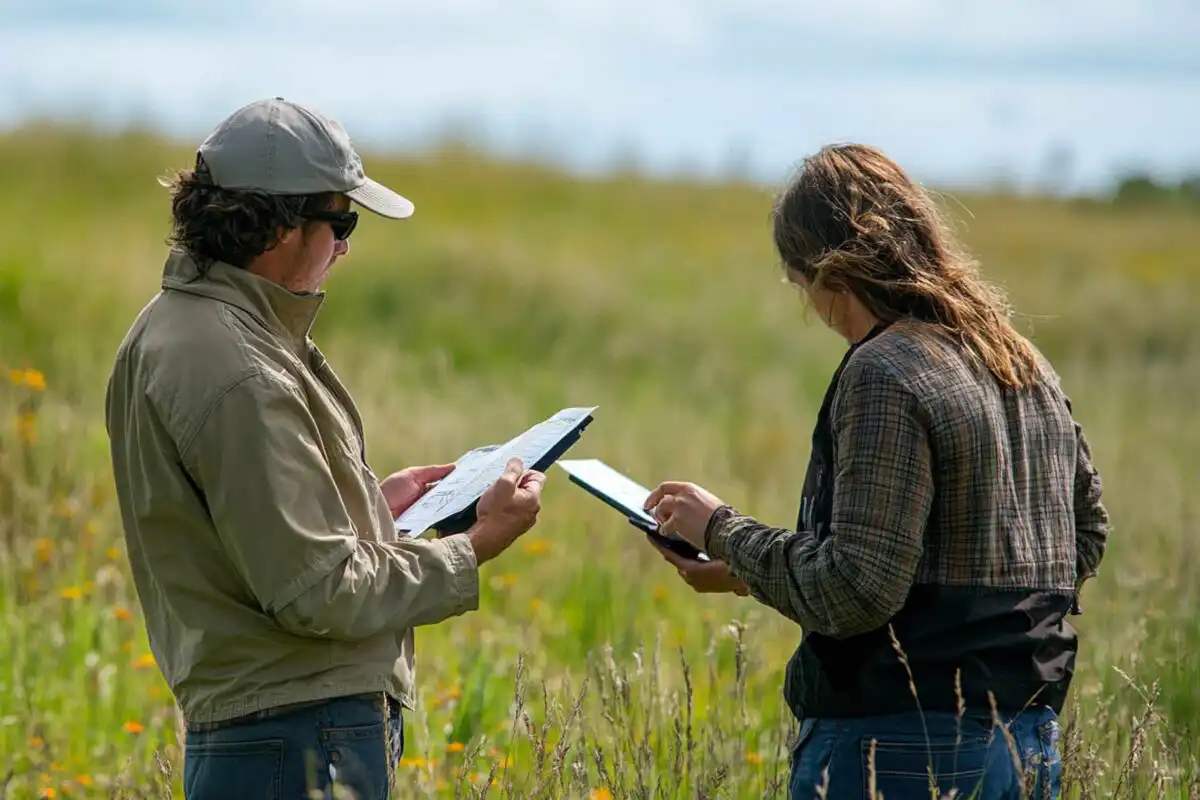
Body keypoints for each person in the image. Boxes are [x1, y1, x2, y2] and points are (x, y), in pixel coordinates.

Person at [104, 97, 547, 800]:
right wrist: (474, 546)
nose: (344, 245)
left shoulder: (178, 329)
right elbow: (314, 593)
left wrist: (372, 508)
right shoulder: (238, 365)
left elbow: (254, 536)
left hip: (267, 735)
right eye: (341, 221)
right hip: (295, 734)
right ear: (277, 226)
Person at [642, 143, 1109, 799]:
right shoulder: (1019, 359)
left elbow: (858, 590)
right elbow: (1082, 535)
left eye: (798, 279)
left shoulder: (885, 372)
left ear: (823, 267)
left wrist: (721, 529)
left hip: (901, 750)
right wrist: (752, 578)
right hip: (1028, 740)